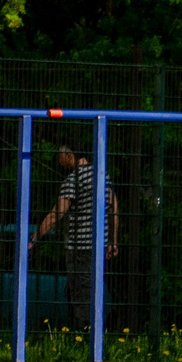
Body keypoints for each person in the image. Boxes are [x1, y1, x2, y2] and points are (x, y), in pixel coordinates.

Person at [32, 141, 119, 336]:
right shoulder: (103, 176)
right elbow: (113, 208)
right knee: (92, 287)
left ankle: (86, 331)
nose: (59, 163)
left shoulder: (72, 181)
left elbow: (57, 213)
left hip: (79, 245)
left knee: (79, 290)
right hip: (99, 244)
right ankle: (94, 329)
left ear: (69, 155)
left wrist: (36, 237)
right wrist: (113, 241)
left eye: (60, 159)